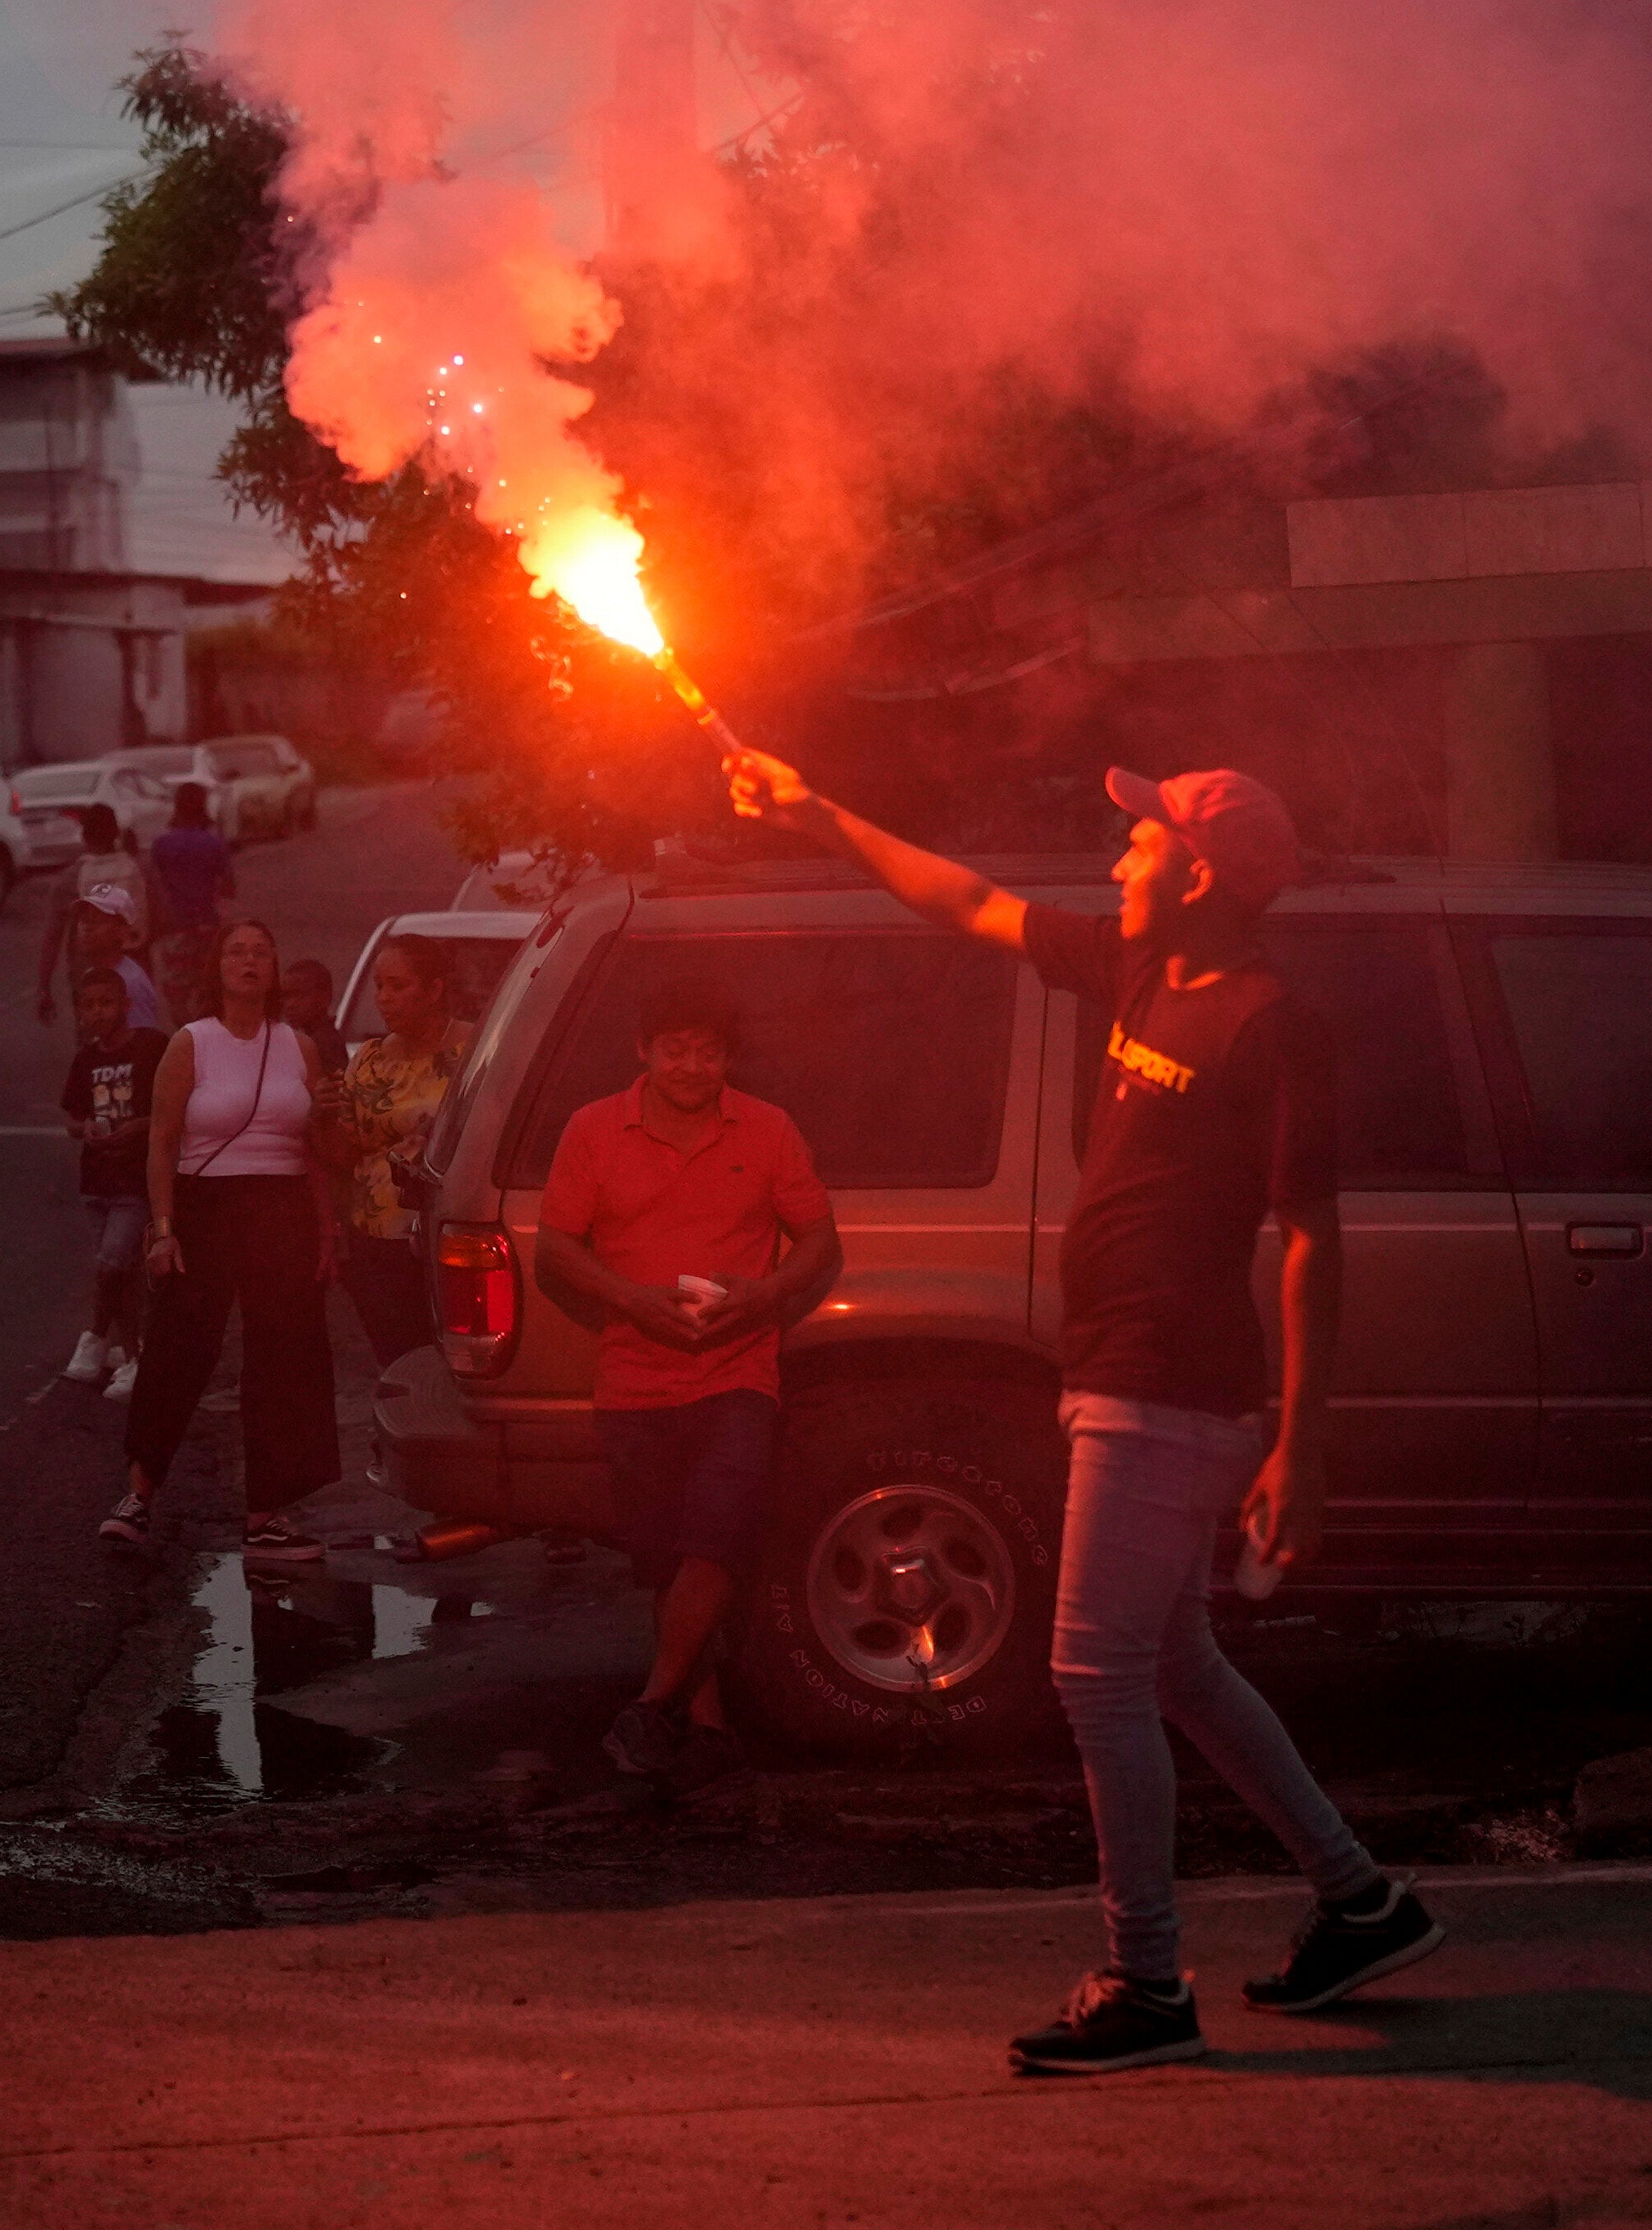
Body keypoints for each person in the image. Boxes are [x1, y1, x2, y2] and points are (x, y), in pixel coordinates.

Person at [731, 745, 1444, 2075]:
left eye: (1143, 842)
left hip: (1171, 1383)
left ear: (1204, 874)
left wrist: (1304, 1439)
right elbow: (962, 901)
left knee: (1092, 1676)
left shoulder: (1271, 1024)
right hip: (1116, 1370)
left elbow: (1311, 1239)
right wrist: (821, 810)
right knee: (1175, 1668)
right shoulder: (1133, 969)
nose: (1119, 857)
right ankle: (1362, 1902)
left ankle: (1146, 1980)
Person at [529, 971, 839, 1783]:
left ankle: (649, 1701)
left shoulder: (768, 1130)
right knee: (668, 1560)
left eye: (707, 1052)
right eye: (676, 1050)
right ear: (645, 1050)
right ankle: (700, 1723)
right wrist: (630, 1298)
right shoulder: (595, 1129)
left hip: (737, 1370)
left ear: (728, 1057)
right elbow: (556, 1246)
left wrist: (765, 1293)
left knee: (717, 1535)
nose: (692, 1067)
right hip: (634, 1377)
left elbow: (818, 1239)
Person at [106, 919, 342, 1564]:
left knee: (286, 1356)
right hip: (206, 1206)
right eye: (236, 952)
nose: (249, 962)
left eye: (261, 953)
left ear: (273, 970)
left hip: (282, 1208)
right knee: (180, 1347)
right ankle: (137, 1495)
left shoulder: (299, 1046)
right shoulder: (192, 1043)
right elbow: (161, 1140)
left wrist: (325, 1228)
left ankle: (268, 1512)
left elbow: (314, 1149)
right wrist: (162, 1229)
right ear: (218, 969)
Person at [329, 948, 468, 1367]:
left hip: (445, 1236)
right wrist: (318, 1119)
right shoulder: (368, 1059)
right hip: (375, 1242)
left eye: (398, 985)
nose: (383, 998)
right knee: (396, 1358)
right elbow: (343, 1153)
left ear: (434, 990)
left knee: (450, 1360)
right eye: (379, 986)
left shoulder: (476, 1049)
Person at [59, 961, 158, 1392]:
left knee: (111, 1263)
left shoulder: (151, 1048)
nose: (98, 1013)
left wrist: (138, 1127)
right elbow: (72, 1115)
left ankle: (103, 1340)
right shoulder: (86, 1060)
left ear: (126, 1004)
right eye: (89, 1006)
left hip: (135, 1181)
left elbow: (174, 1107)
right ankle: (126, 1351)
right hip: (96, 1181)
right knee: (120, 1272)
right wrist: (86, 1130)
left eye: (106, 1003)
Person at [35, 805, 143, 1019]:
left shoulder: (71, 877)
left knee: (94, 1038)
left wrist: (44, 988)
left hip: (87, 971)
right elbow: (157, 922)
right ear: (116, 832)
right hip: (134, 966)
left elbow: (53, 937)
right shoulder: (137, 869)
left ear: (84, 836)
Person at [60, 886, 163, 1041]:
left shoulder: (131, 983)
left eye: (97, 921)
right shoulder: (93, 974)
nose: (87, 928)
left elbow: (144, 1045)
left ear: (122, 931)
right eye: (83, 920)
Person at [146, 777, 236, 947]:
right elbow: (229, 889)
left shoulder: (161, 844)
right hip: (208, 922)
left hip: (174, 926)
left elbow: (154, 887)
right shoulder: (214, 843)